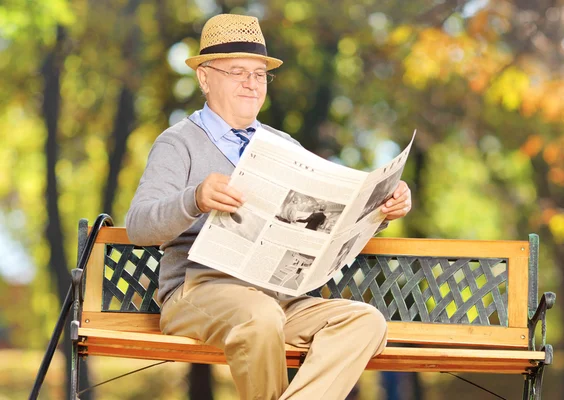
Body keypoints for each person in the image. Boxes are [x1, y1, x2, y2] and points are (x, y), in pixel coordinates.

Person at [125, 13, 412, 400]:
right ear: (204, 78)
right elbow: (139, 226)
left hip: (279, 299)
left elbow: (326, 221)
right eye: (237, 71)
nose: (251, 83)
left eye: (259, 74)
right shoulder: (178, 143)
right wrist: (194, 198)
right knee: (258, 317)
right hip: (199, 294)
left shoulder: (284, 146)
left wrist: (381, 211)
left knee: (366, 322)